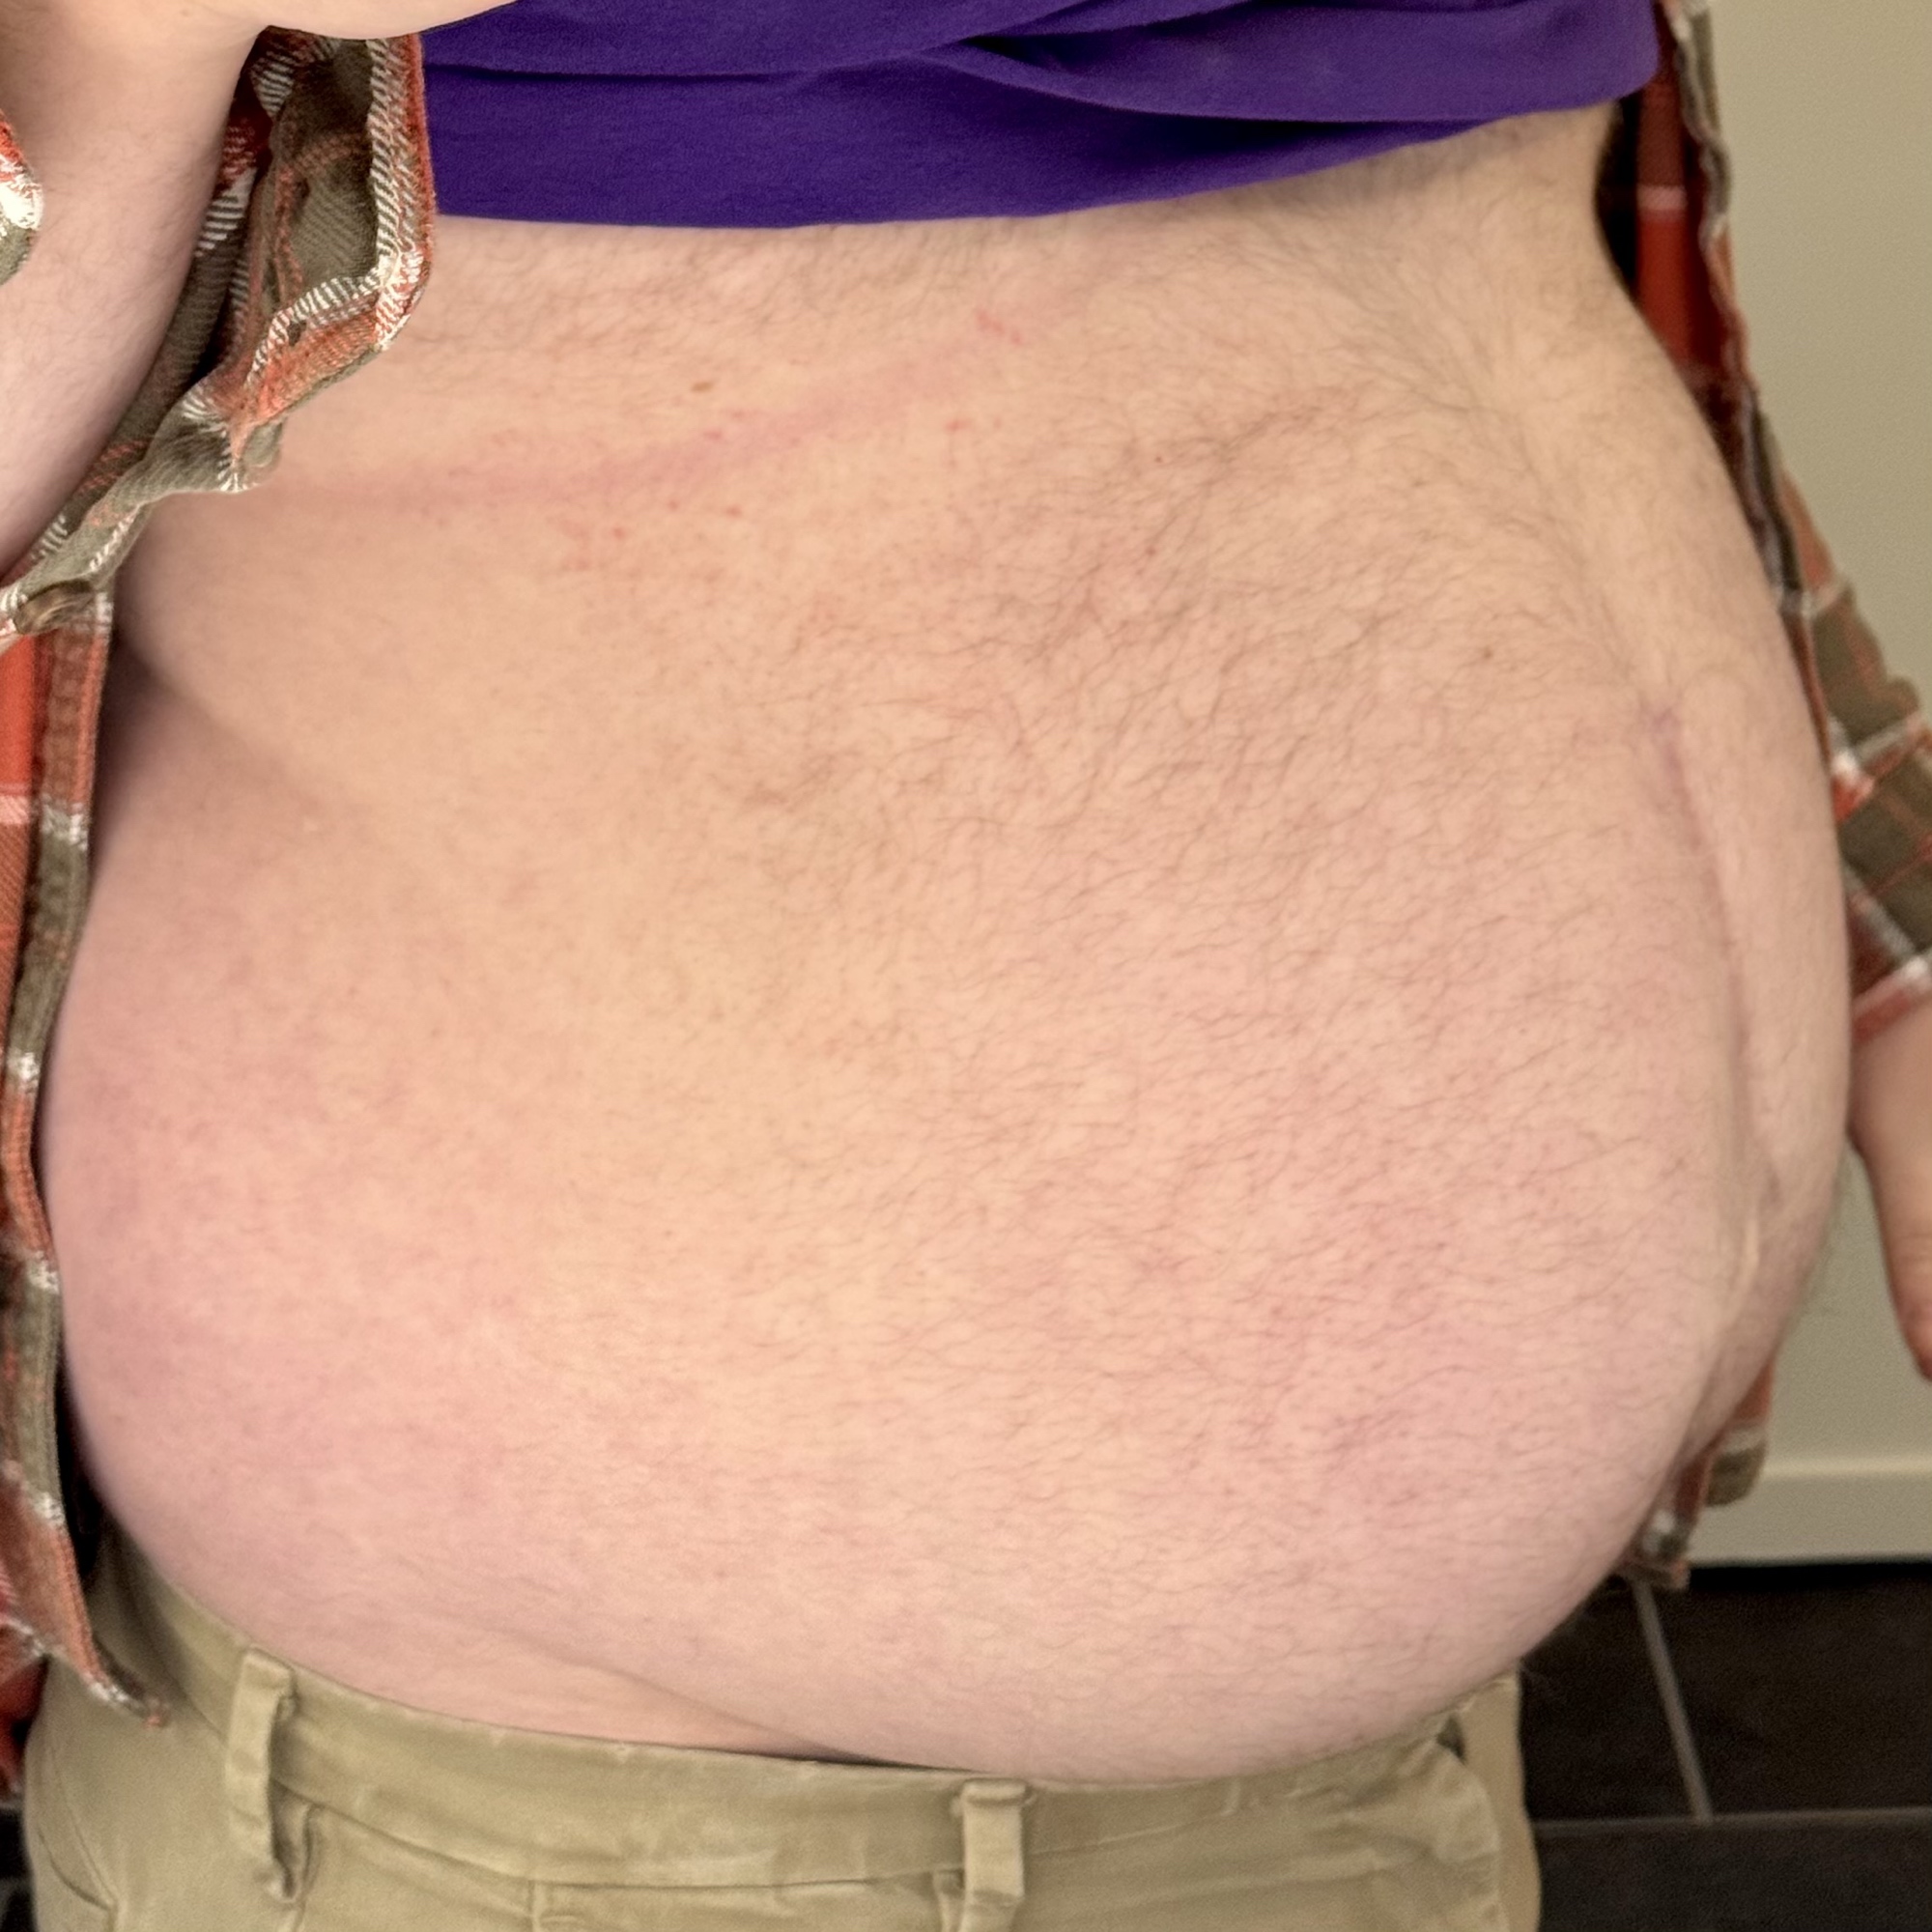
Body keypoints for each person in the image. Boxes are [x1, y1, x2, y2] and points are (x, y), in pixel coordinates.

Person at [0, 1, 1926, 1925]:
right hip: (603, 1813)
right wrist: (125, 39)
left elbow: (1470, 311)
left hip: (1371, 1774)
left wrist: (1872, 886)